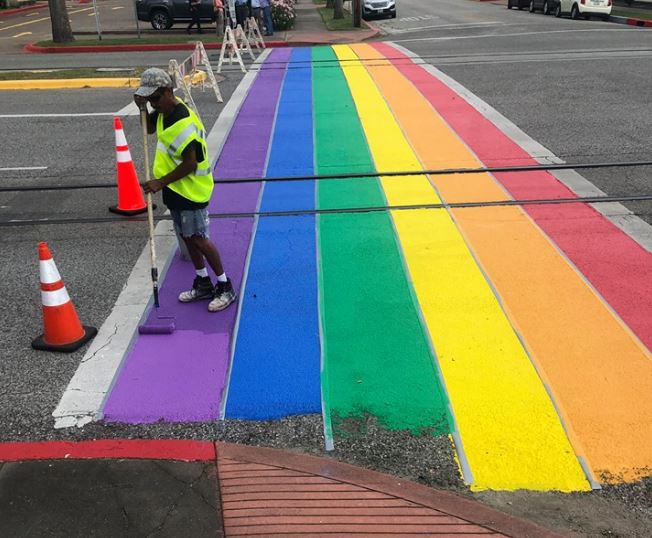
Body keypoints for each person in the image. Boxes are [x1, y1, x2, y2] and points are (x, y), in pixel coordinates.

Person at [133, 68, 236, 313]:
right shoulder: (163, 113)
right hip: (175, 189)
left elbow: (191, 163)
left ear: (168, 92)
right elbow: (148, 129)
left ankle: (224, 285)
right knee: (187, 237)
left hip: (191, 190)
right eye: (149, 100)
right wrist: (142, 107)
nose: (153, 104)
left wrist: (160, 182)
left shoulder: (184, 122)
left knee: (199, 238)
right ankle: (202, 282)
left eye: (155, 98)